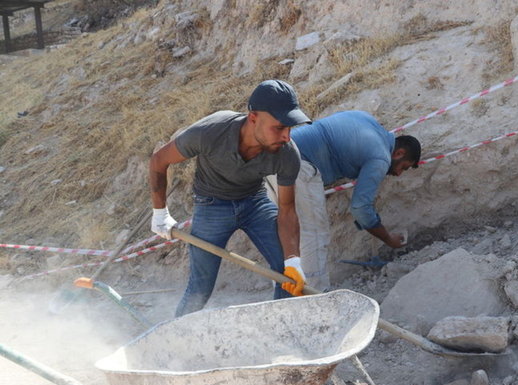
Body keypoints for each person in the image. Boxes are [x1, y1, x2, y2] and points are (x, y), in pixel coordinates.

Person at [149, 80, 311, 317]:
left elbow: (287, 210)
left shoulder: (287, 154)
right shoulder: (211, 132)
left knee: (286, 273)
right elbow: (159, 160)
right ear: (253, 117)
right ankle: (175, 339)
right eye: (279, 128)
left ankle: (281, 333)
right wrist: (160, 213)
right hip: (211, 206)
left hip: (254, 202)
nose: (287, 136)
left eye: (290, 128)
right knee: (200, 287)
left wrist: (293, 261)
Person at [268, 110, 421, 290]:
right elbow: (360, 207)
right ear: (398, 153)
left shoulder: (365, 118)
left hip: (273, 155)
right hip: (299, 164)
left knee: (286, 228)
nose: (398, 173)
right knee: (314, 232)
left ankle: (284, 290)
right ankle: (316, 294)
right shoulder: (381, 156)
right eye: (403, 167)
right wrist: (388, 238)